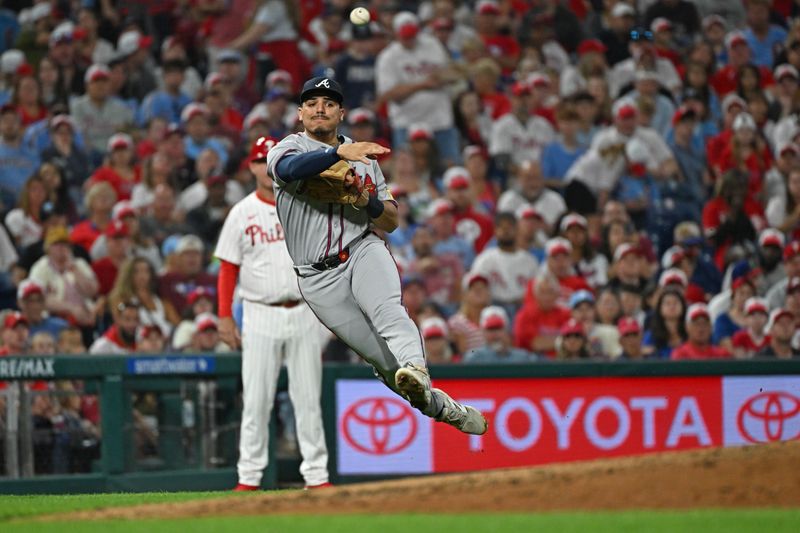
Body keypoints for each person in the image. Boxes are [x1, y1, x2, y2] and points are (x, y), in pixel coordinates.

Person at [265, 76, 487, 435]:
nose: (319, 108)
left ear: (341, 113)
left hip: (362, 248)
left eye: (329, 103)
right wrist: (335, 154)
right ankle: (444, 409)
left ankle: (416, 367)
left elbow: (392, 219)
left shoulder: (364, 156)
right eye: (311, 103)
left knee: (389, 313)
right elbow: (289, 170)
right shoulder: (286, 148)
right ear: (300, 113)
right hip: (317, 277)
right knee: (385, 365)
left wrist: (364, 199)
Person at [215, 137, 330, 491]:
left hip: (303, 311)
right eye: (260, 160)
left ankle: (317, 476)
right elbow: (228, 269)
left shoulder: (305, 204)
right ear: (251, 167)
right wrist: (224, 316)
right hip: (260, 313)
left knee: (308, 398)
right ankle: (249, 477)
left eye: (273, 158)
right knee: (257, 399)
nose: (266, 165)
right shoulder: (241, 212)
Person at [464, 306, 534, 364]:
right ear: (483, 332)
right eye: (490, 329)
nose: (495, 334)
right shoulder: (474, 358)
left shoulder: (523, 357)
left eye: (498, 328)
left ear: (506, 331)